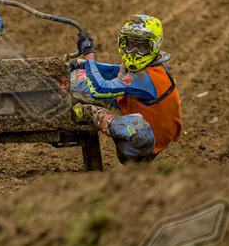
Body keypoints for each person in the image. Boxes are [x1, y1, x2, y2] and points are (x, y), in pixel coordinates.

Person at [67, 15, 181, 164]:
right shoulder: (150, 65)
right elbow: (115, 71)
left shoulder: (146, 78)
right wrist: (82, 63)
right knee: (80, 78)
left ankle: (91, 113)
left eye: (141, 47)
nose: (133, 52)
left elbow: (99, 88)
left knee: (134, 124)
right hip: (142, 125)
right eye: (130, 44)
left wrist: (89, 56)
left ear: (154, 46)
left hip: (142, 146)